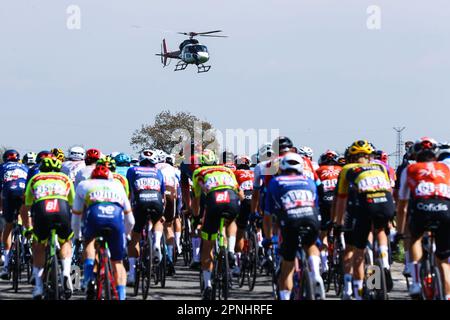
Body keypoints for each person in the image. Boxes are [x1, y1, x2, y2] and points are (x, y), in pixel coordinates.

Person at [334, 140, 394, 300]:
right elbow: (388, 190)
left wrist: (338, 223)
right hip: (386, 204)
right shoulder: (381, 166)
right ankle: (384, 262)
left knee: (357, 250)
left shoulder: (347, 169)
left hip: (362, 208)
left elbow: (341, 199)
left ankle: (357, 291)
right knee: (380, 230)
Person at [265, 152, 325, 300]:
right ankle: (316, 273)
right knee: (311, 244)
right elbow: (316, 205)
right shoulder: (309, 180)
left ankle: (285, 296)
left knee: (287, 264)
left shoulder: (276, 182)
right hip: (311, 217)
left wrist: (268, 238)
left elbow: (267, 214)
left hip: (291, 221)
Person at [397, 137, 450, 299]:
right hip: (445, 210)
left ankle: (416, 282)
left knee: (414, 238)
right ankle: (447, 295)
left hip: (422, 208)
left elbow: (402, 204)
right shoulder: (445, 168)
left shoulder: (410, 168)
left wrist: (399, 232)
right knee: (443, 260)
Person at [72, 164, 134, 300]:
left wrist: (77, 237)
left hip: (95, 218)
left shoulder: (84, 185)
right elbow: (130, 220)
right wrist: (127, 235)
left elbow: (76, 216)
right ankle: (121, 296)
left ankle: (88, 278)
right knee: (117, 262)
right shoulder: (118, 186)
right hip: (115, 219)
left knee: (88, 241)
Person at [191, 149, 243, 300]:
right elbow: (240, 193)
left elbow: (196, 200)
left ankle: (207, 284)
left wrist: (196, 217)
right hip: (232, 200)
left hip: (214, 202)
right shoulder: (227, 170)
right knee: (231, 220)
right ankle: (231, 251)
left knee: (207, 244)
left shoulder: (198, 172)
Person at [22, 157, 74, 299]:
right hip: (61, 209)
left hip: (42, 210)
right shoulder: (64, 178)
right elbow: (73, 204)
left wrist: (28, 228)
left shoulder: (35, 178)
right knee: (66, 241)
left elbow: (25, 207)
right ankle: (66, 274)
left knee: (38, 247)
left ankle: (38, 286)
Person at [126, 149, 165, 286]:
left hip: (140, 201)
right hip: (156, 200)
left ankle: (131, 274)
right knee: (158, 221)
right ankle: (156, 242)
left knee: (135, 236)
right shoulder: (158, 172)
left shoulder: (132, 170)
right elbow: (162, 193)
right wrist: (162, 214)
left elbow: (130, 191)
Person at [0, 150, 29, 280]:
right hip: (23, 191)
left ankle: (6, 265)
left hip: (9, 192)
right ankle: (28, 243)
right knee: (27, 219)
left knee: (8, 225)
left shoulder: (2, 167)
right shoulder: (25, 167)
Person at [316, 149, 342, 274]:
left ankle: (324, 263)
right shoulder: (341, 170)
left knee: (323, 233)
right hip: (339, 202)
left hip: (325, 202)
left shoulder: (319, 171)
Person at [233, 155, 256, 276]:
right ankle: (260, 248)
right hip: (256, 201)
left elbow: (234, 190)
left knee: (239, 231)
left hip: (243, 201)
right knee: (258, 225)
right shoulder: (254, 172)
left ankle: (237, 265)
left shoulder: (235, 173)